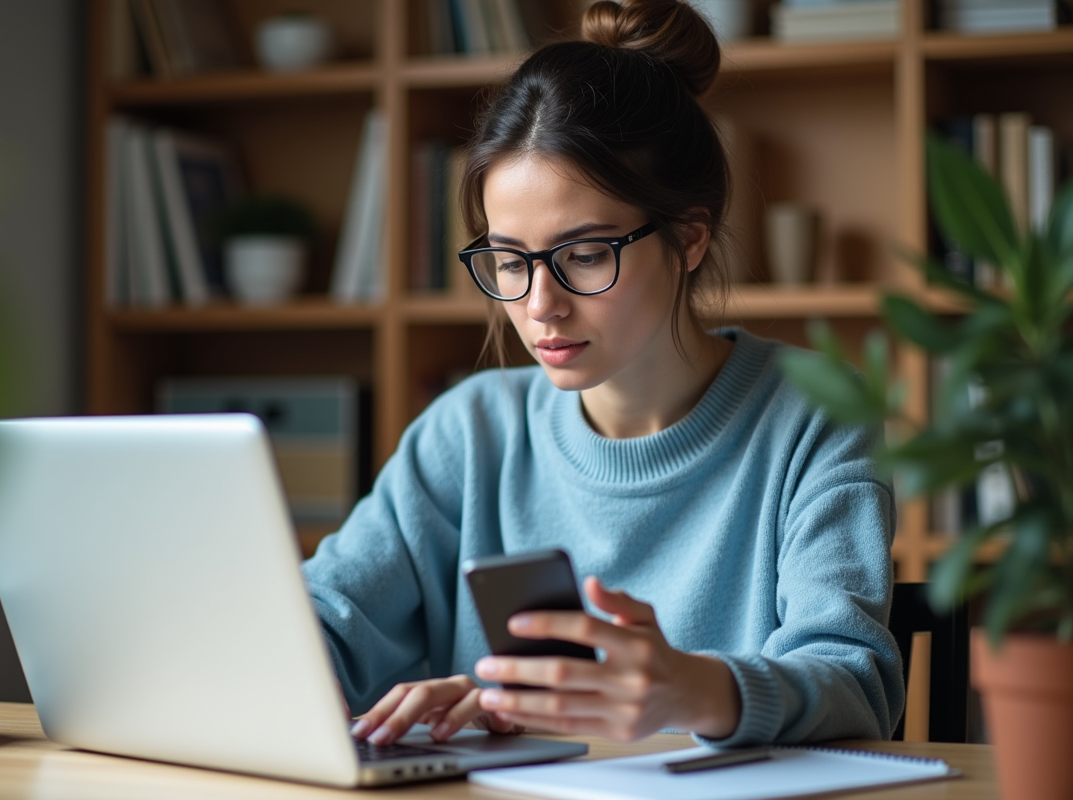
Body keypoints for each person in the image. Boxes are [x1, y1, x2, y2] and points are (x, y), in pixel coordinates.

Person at [303, 0, 904, 749]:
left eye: (585, 255)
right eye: (509, 261)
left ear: (689, 238)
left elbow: (855, 681)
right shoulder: (470, 431)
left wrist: (693, 690)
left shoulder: (817, 415)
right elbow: (325, 616)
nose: (540, 305)